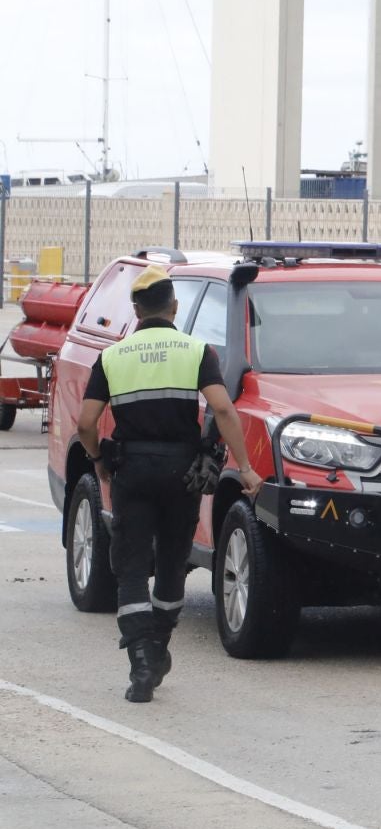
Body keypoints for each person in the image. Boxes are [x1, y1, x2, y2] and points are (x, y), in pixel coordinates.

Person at [76, 268, 263, 703]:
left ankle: (141, 659)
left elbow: (86, 423)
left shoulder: (113, 357)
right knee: (173, 562)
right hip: (183, 473)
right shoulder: (198, 351)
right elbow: (222, 410)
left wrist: (100, 459)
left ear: (137, 310)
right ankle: (158, 645)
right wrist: (247, 467)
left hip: (132, 473)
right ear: (174, 307)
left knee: (132, 565)